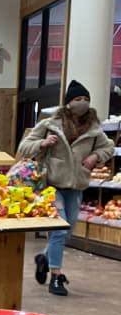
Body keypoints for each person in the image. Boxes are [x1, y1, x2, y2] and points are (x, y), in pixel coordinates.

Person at [18, 79, 115, 296]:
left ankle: (43, 257)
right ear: (69, 102)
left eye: (86, 99)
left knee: (68, 230)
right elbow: (24, 146)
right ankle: (56, 276)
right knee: (60, 229)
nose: (82, 103)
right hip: (51, 185)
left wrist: (95, 156)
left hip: (77, 185)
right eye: (78, 99)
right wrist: (42, 144)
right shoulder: (50, 124)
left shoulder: (94, 128)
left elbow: (108, 147)